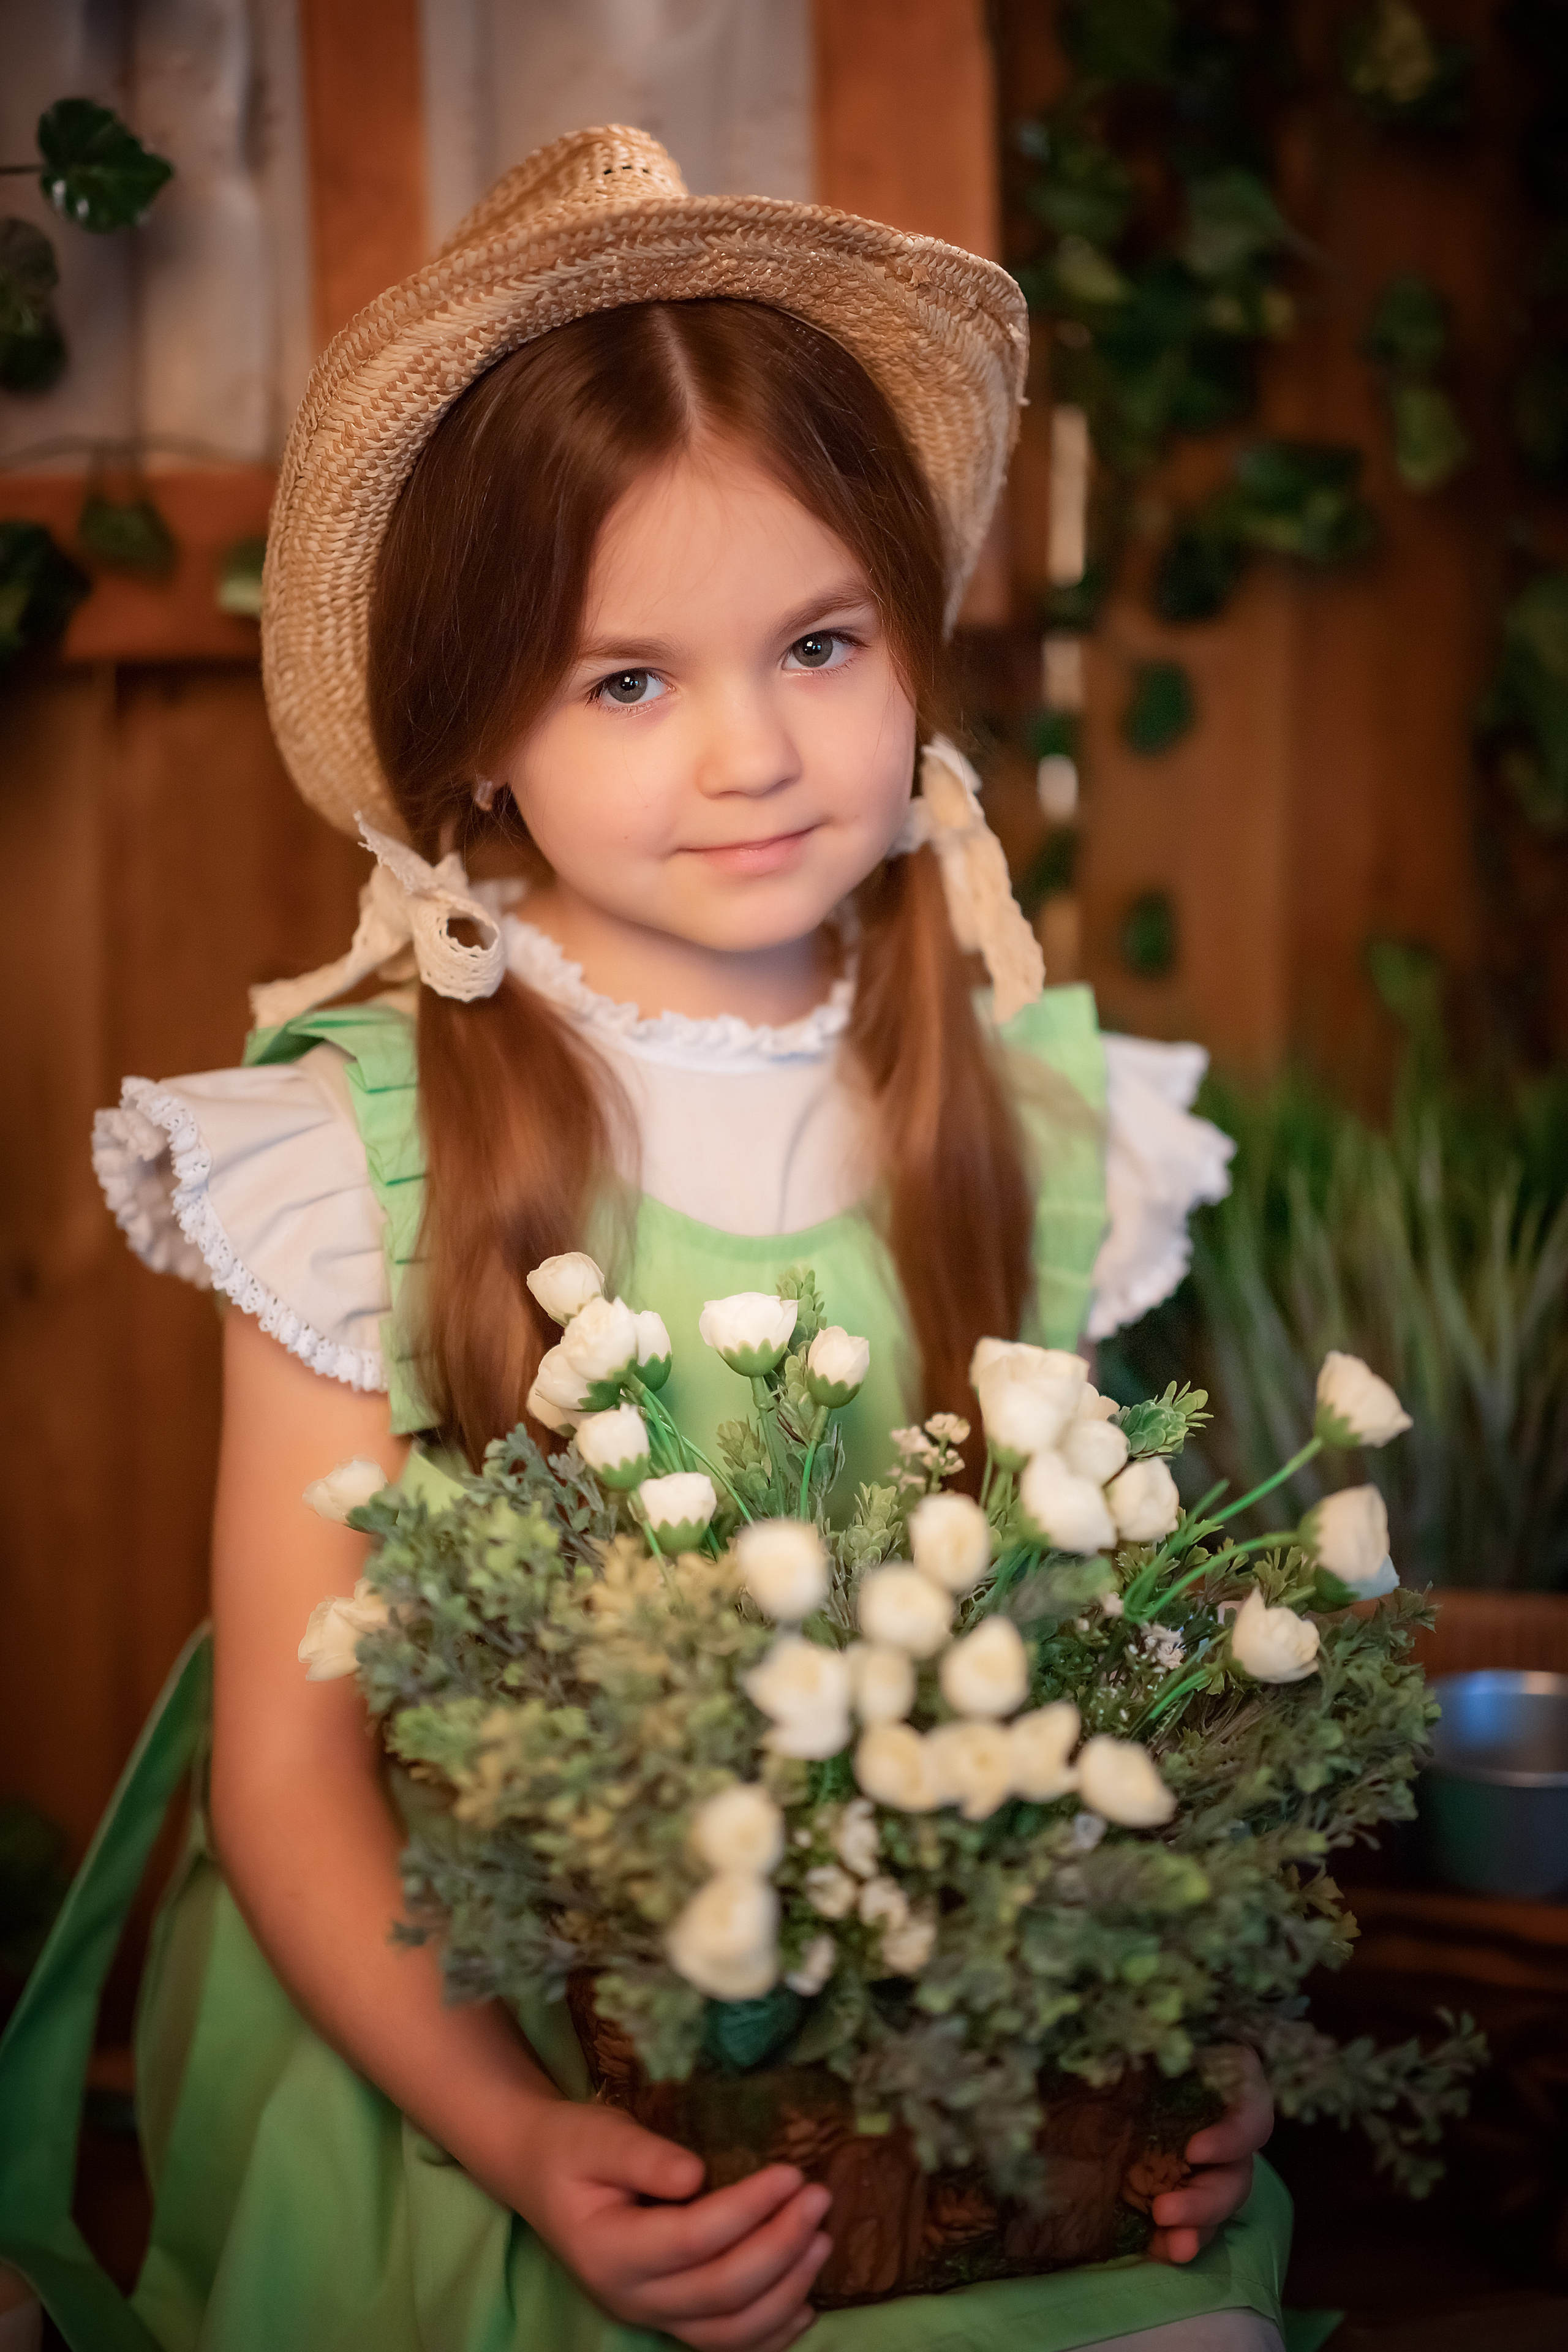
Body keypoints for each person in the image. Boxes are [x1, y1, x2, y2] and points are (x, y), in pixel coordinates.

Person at [0, 128, 1286, 2352]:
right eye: (626, 681)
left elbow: (1121, 1684)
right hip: (484, 2030)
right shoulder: (364, 1153)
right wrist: (512, 2138)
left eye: (818, 640)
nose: (755, 753)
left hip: (935, 2053)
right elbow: (297, 1777)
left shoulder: (1047, 1131)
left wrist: (1180, 2019)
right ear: (477, 735)